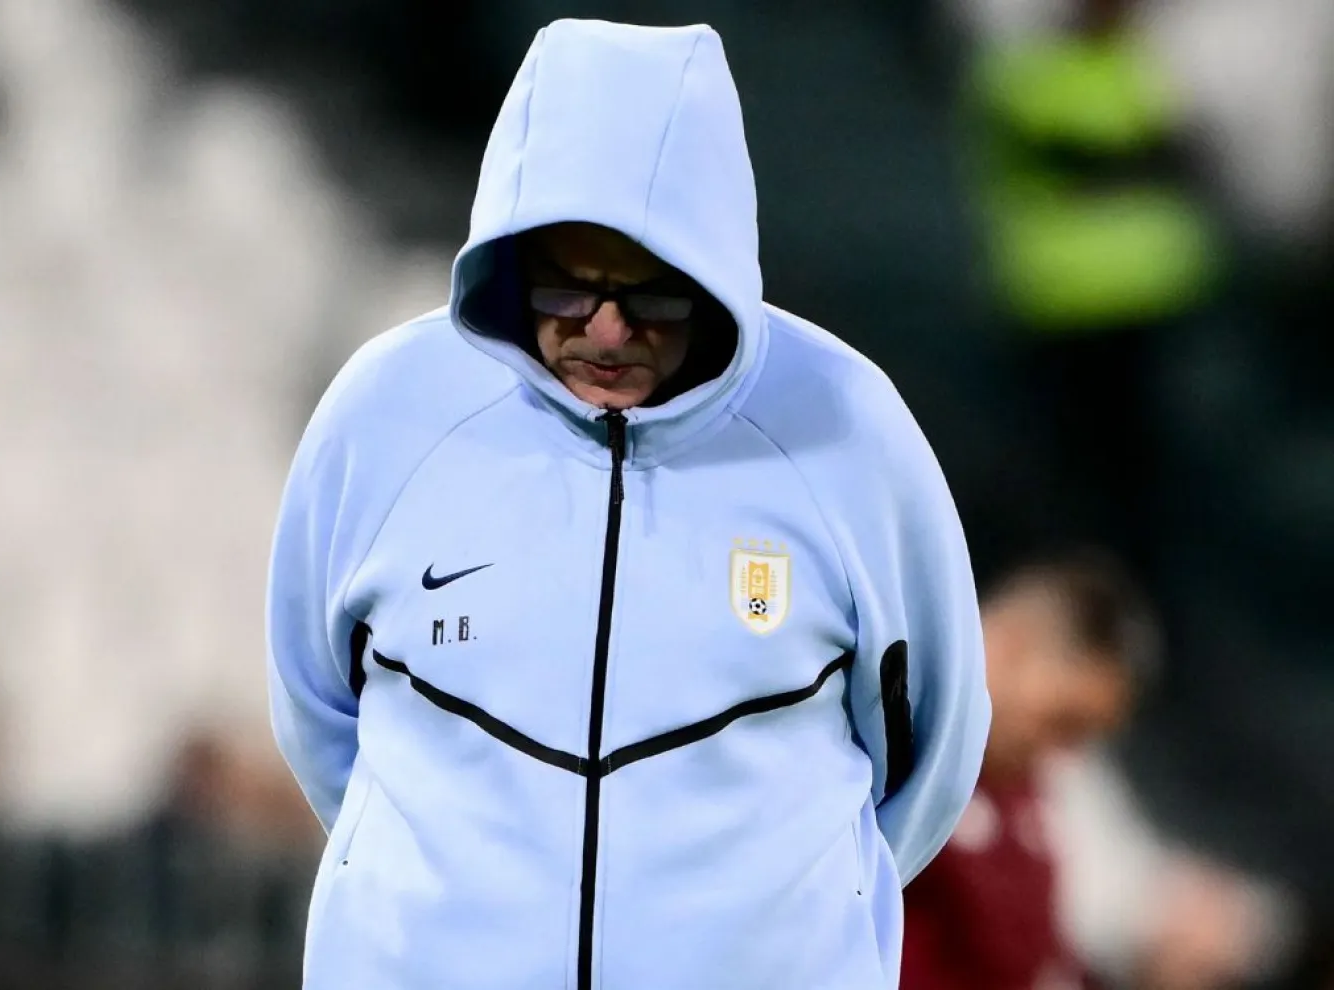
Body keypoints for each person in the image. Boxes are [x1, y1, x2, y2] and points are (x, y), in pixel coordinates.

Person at [266, 19, 989, 990]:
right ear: (511, 260)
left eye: (650, 294)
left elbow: (927, 758)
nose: (605, 330)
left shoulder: (849, 432)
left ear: (715, 270)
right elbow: (320, 714)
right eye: (568, 286)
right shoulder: (386, 414)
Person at [901, 550, 1156, 990]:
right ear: (1009, 643)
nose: (1066, 754)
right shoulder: (886, 753)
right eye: (1065, 721)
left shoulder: (1022, 800)